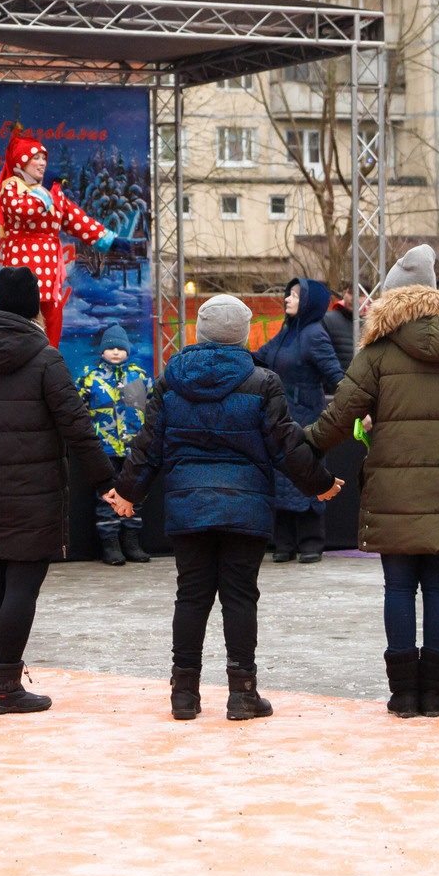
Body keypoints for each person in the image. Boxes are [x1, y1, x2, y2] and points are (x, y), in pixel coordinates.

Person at [116, 294, 337, 722]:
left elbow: (150, 447)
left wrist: (128, 492)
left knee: (191, 596)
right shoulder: (262, 381)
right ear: (242, 333)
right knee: (240, 597)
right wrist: (320, 484)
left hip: (187, 505)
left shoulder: (170, 379)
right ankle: (242, 694)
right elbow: (285, 447)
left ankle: (184, 695)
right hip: (245, 508)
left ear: (200, 332)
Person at [302, 243, 439, 719]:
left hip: (393, 489)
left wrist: (298, 444)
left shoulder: (378, 354)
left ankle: (403, 696)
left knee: (397, 589)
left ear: (391, 300)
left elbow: (337, 419)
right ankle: (435, 697)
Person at [0, 265, 126, 714]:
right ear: (34, 308)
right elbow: (78, 428)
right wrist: (106, 481)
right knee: (21, 586)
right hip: (33, 495)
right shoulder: (46, 359)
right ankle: (6, 688)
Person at [0, 134, 117, 350]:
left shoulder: (52, 192)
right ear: (22, 161)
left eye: (44, 158)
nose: (42, 163)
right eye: (36, 158)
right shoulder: (10, 188)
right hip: (23, 267)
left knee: (51, 325)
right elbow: (24, 212)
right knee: (22, 324)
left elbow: (75, 218)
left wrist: (108, 240)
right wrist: (44, 191)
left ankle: (49, 366)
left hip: (50, 272)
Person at [255, 278, 347, 563]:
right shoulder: (286, 332)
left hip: (308, 419)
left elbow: (336, 376)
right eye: (288, 294)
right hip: (281, 418)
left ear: (310, 302)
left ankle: (310, 542)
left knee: (307, 474)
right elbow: (259, 358)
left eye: (295, 295)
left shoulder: (314, 334)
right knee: (282, 477)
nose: (287, 299)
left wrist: (360, 407)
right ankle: (283, 543)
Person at [76, 325, 151, 565]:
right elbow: (76, 408)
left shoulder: (139, 376)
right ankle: (111, 544)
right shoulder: (91, 376)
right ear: (102, 351)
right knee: (108, 496)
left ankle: (132, 541)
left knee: (134, 494)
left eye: (120, 348)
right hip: (103, 448)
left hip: (134, 447)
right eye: (111, 348)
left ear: (128, 351)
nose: (116, 352)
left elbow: (152, 407)